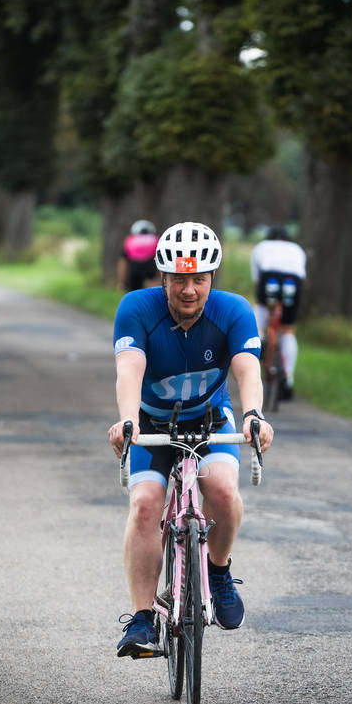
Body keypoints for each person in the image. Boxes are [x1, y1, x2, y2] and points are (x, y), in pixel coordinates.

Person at [108, 221, 274, 658]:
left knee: (221, 489)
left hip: (209, 420)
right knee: (145, 504)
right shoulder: (136, 308)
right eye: (179, 278)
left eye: (199, 278)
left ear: (211, 278)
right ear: (162, 276)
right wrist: (127, 422)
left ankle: (217, 571)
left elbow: (247, 370)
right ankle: (143, 617)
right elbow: (129, 370)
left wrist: (254, 413)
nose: (188, 289)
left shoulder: (234, 310)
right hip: (151, 423)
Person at [250, 225, 307, 400]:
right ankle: (288, 376)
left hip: (269, 277)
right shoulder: (297, 249)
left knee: (260, 308)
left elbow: (256, 281)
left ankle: (259, 338)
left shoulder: (261, 247)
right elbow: (302, 277)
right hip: (293, 281)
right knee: (288, 329)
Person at [116, 220, 160, 291]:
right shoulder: (156, 239)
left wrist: (122, 282)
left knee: (133, 294)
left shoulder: (130, 240)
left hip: (134, 269)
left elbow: (123, 263)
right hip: (151, 267)